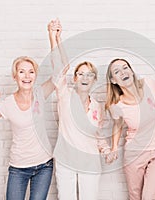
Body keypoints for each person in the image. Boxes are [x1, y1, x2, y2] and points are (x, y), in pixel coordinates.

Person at [0, 54, 56, 198]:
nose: (27, 76)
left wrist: (53, 37)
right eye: (22, 71)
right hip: (18, 169)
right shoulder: (7, 104)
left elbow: (60, 72)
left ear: (35, 75)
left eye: (31, 71)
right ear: (15, 76)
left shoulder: (40, 93)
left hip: (44, 166)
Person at [104, 57, 155, 200]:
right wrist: (113, 148)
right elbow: (117, 126)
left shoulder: (148, 85)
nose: (123, 72)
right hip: (135, 155)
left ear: (131, 71)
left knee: (149, 196)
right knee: (135, 196)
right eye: (117, 71)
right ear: (113, 80)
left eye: (125, 68)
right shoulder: (117, 105)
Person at [48, 19, 105, 200]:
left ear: (94, 80)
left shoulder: (97, 106)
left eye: (89, 74)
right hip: (66, 160)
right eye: (80, 73)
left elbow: (98, 135)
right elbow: (60, 68)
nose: (84, 77)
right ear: (74, 78)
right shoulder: (65, 94)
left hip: (90, 162)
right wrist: (54, 38)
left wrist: (106, 150)